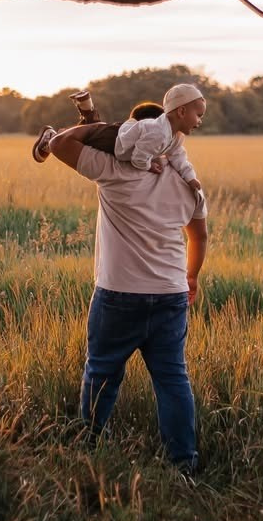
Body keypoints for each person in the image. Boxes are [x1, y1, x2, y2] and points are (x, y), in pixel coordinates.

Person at [47, 118, 209, 474]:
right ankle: (184, 462)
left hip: (118, 293)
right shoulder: (188, 183)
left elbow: (58, 144)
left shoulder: (113, 170)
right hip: (170, 293)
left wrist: (102, 127)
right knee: (172, 378)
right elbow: (199, 237)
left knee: (102, 372)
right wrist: (191, 276)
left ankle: (87, 450)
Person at [114, 83, 205, 192]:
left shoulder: (177, 135)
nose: (200, 121)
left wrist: (190, 178)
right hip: (122, 142)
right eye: (198, 115)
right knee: (104, 133)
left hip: (140, 132)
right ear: (181, 112)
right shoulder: (159, 133)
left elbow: (178, 156)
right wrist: (149, 166)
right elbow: (138, 158)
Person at [31, 90, 164, 163]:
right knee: (90, 141)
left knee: (96, 132)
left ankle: (87, 108)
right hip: (121, 138)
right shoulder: (151, 138)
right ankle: (52, 138)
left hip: (120, 129)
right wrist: (148, 164)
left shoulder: (135, 130)